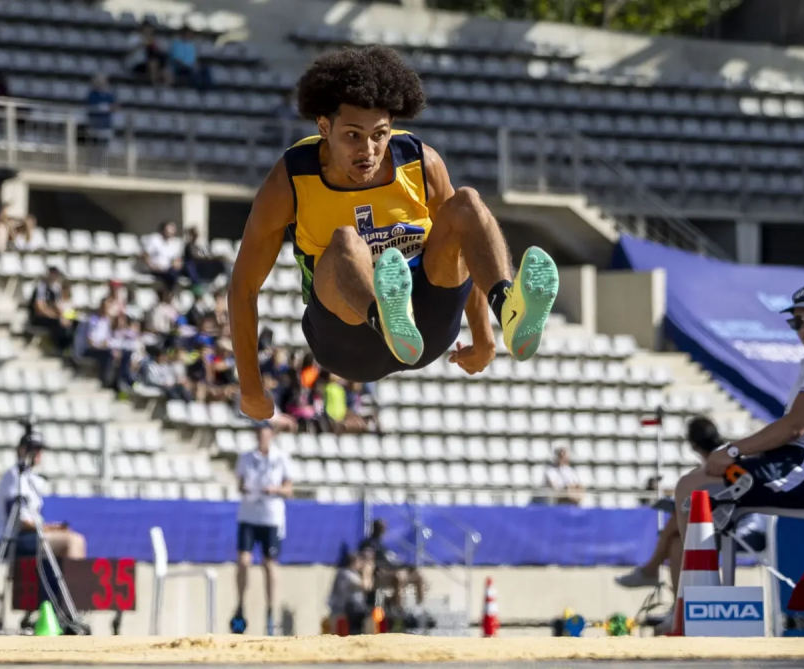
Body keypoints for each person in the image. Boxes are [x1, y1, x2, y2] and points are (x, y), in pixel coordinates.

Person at [229, 46, 560, 420]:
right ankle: (384, 316)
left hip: (427, 325)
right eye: (353, 135)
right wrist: (251, 388)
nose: (368, 150)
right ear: (325, 127)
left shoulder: (420, 162)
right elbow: (243, 287)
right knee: (344, 241)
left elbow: (464, 247)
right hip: (347, 340)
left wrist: (483, 340)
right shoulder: (290, 180)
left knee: (466, 203)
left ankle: (508, 307)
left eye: (379, 134)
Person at [675, 283, 804, 544]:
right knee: (679, 520)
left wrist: (732, 451)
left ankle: (695, 582)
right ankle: (683, 578)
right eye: (797, 322)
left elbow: (794, 428)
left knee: (690, 489)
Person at [614, 416, 768, 633]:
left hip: (740, 524)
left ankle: (651, 568)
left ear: (693, 444)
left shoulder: (720, 463)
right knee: (676, 540)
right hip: (723, 521)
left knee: (677, 519)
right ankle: (679, 607)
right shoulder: (718, 461)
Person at [0, 431, 87, 626]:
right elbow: (20, 519)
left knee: (70, 538)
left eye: (40, 450)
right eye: (34, 450)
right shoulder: (14, 476)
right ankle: (67, 611)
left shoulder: (29, 478)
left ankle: (60, 606)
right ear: (22, 450)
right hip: (9, 540)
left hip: (25, 537)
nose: (38, 455)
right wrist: (48, 529)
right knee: (73, 541)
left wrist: (50, 528)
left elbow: (29, 519)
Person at [231, 424, 293, 636]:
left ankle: (270, 611)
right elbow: (239, 484)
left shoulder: (280, 458)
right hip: (249, 514)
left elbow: (289, 489)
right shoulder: (246, 457)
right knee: (243, 560)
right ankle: (240, 605)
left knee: (269, 564)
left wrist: (275, 489)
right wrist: (246, 488)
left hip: (271, 516)